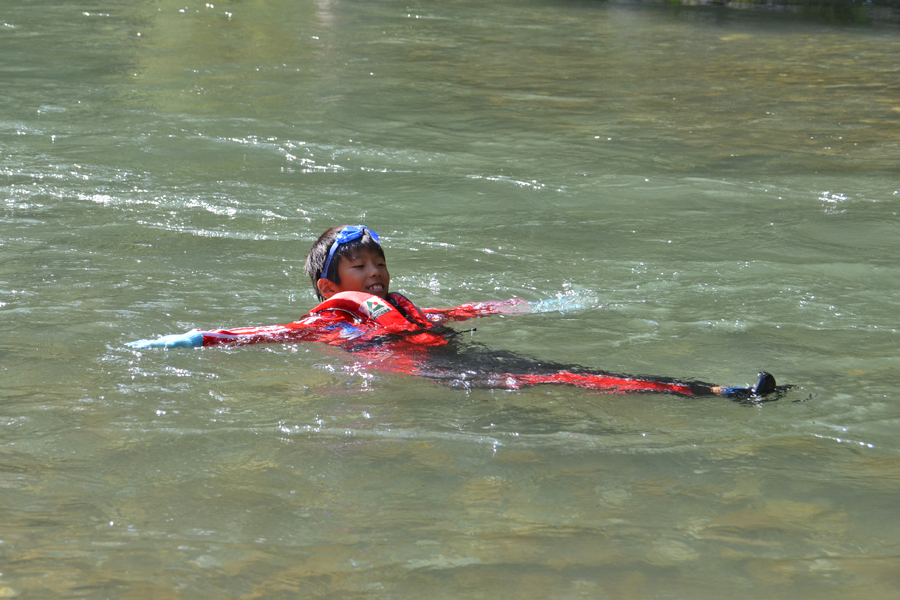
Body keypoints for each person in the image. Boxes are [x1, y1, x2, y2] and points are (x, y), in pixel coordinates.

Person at [128, 224, 785, 400]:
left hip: (454, 359)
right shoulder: (336, 316)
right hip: (432, 376)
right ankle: (718, 394)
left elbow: (459, 308)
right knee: (566, 379)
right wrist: (200, 339)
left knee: (566, 375)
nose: (377, 273)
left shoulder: (397, 302)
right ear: (331, 287)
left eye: (380, 262)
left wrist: (535, 303)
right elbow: (277, 333)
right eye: (360, 266)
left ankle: (706, 391)